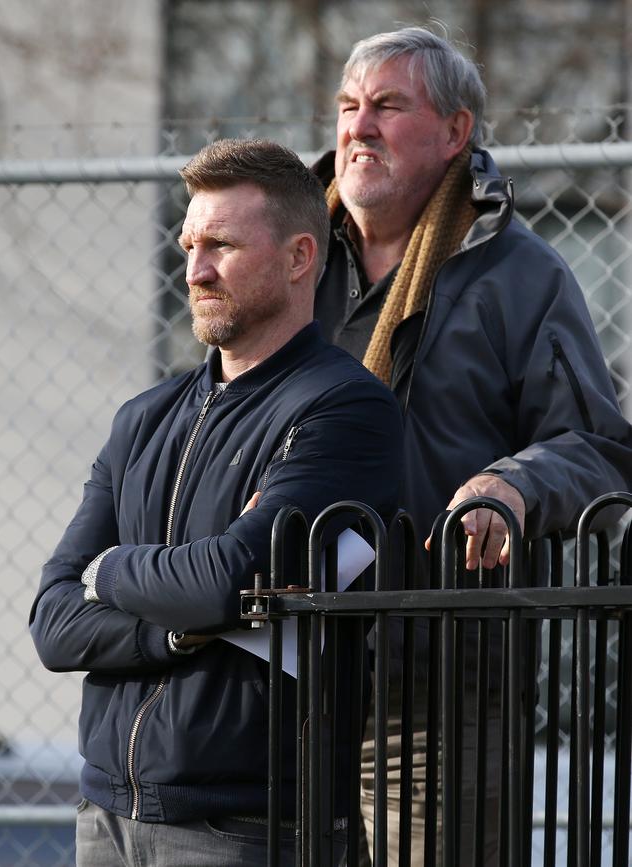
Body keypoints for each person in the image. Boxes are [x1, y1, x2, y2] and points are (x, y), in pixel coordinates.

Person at [29, 138, 404, 867]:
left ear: (299, 258)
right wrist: (171, 633)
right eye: (190, 243)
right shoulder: (145, 417)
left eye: (222, 246)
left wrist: (109, 572)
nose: (195, 269)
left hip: (248, 827)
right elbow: (50, 622)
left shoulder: (343, 408)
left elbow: (224, 576)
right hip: (105, 816)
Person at [311, 25, 632, 866]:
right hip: (288, 672)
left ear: (456, 132)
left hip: (440, 680)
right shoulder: (287, 261)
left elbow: (598, 445)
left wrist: (513, 483)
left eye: (388, 105)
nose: (358, 127)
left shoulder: (519, 275)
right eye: (348, 106)